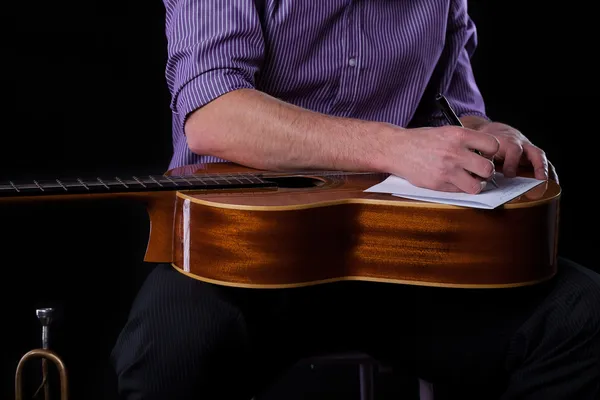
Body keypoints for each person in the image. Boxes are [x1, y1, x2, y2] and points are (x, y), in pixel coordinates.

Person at [111, 1, 600, 399]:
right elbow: (215, 115)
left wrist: (494, 136)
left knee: (585, 317)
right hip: (247, 256)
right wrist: (393, 146)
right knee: (165, 352)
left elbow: (455, 108)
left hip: (400, 253)